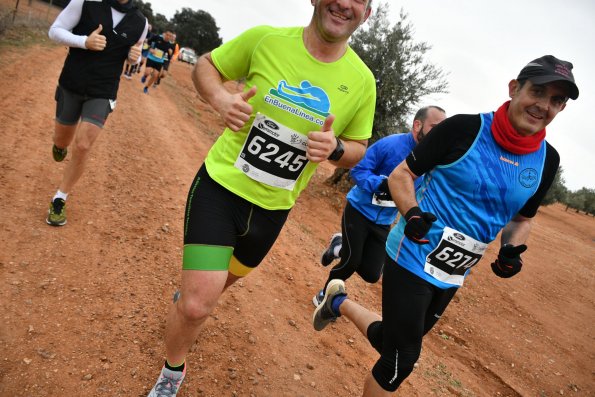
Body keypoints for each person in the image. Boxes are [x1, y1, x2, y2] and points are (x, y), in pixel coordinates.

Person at [312, 54, 579, 395]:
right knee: (401, 359)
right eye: (538, 92)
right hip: (413, 252)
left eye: (557, 100)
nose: (544, 105)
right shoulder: (464, 130)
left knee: (393, 342)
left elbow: (522, 219)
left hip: (454, 270)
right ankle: (339, 304)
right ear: (514, 88)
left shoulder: (546, 160)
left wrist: (511, 248)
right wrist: (411, 214)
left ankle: (337, 302)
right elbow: (401, 175)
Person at [146, 0, 376, 395]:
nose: (344, 4)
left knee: (217, 285)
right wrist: (220, 99)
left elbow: (359, 145)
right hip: (221, 188)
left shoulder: (362, 80)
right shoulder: (265, 40)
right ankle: (172, 372)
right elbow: (206, 65)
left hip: (273, 210)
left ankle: (194, 294)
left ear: (367, 13)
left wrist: (335, 149)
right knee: (199, 305)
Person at [313, 106, 446, 307]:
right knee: (350, 262)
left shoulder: (430, 160)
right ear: (417, 125)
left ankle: (338, 246)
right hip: (358, 210)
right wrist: (380, 185)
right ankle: (324, 296)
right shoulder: (391, 144)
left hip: (384, 221)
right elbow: (358, 170)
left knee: (371, 274)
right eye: (435, 127)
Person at [46, 0, 148, 226]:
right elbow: (54, 31)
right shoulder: (85, 2)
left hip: (103, 90)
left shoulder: (140, 21)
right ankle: (59, 146)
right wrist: (84, 41)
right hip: (71, 84)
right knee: (61, 140)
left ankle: (60, 198)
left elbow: (137, 54)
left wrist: (135, 58)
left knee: (83, 144)